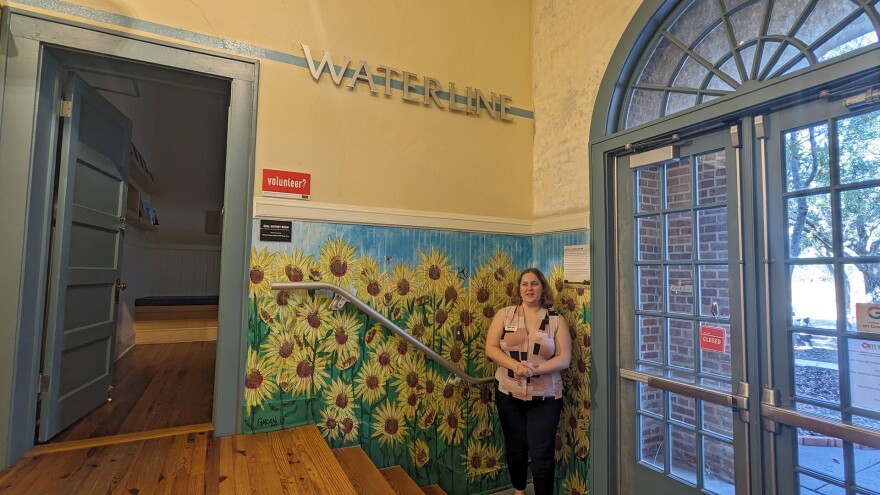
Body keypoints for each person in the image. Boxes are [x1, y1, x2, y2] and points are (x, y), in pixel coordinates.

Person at [485, 267, 572, 495]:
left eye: (534, 283)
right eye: (525, 284)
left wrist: (536, 369)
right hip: (509, 393)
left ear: (543, 288)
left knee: (542, 453)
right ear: (519, 289)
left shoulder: (555, 320)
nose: (529, 288)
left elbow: (564, 358)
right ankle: (519, 490)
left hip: (545, 397)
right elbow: (491, 348)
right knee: (516, 448)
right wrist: (514, 365)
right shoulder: (505, 315)